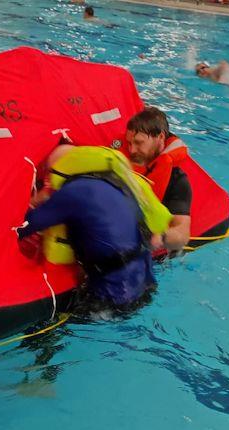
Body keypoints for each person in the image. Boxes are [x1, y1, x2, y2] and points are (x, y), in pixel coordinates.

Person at [17, 145, 162, 311]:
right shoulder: (116, 181)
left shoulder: (73, 192)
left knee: (46, 328)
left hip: (114, 294)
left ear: (60, 170)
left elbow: (25, 225)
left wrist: (37, 199)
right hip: (146, 281)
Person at [125, 107, 192, 251]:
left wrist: (162, 238)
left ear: (161, 137)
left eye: (139, 142)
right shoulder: (120, 160)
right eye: (129, 143)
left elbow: (182, 232)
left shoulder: (176, 180)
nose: (132, 150)